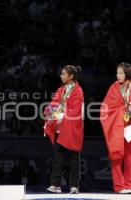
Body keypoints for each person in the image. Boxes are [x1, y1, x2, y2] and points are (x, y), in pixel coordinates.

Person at [100, 62, 131, 194]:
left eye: (120, 73)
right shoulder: (114, 87)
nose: (118, 75)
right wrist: (122, 110)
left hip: (130, 127)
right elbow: (106, 107)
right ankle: (119, 186)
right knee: (116, 156)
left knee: (130, 158)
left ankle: (128, 186)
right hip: (116, 126)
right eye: (117, 73)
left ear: (127, 74)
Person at [43, 65, 84, 194]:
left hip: (72, 128)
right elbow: (54, 102)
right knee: (57, 159)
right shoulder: (61, 89)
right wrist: (50, 111)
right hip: (60, 129)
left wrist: (63, 116)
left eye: (64, 74)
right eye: (61, 74)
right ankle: (55, 185)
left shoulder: (78, 91)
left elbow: (77, 110)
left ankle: (74, 186)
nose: (61, 76)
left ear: (71, 76)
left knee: (73, 159)